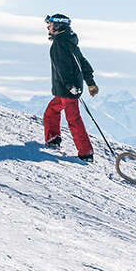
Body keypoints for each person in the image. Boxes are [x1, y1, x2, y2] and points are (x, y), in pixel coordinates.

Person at [43, 14, 99, 162]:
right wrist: (90, 83)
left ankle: (85, 153)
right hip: (66, 90)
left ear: (58, 26)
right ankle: (53, 138)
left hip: (67, 90)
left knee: (73, 119)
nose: (48, 27)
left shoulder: (59, 45)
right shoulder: (69, 42)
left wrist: (71, 86)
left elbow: (63, 68)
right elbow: (83, 62)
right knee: (51, 112)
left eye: (50, 24)